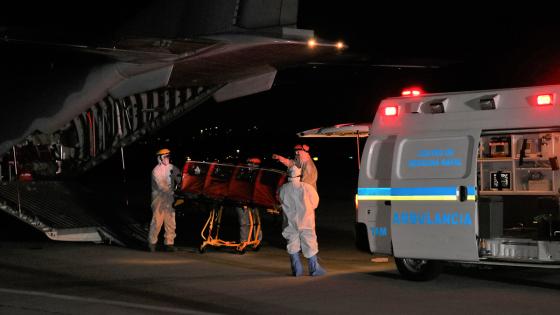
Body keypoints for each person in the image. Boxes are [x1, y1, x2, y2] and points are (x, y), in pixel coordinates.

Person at [278, 165, 326, 276]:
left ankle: (296, 269)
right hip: (306, 220)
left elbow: (280, 201)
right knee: (310, 242)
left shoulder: (283, 188)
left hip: (290, 221)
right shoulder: (307, 187)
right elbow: (315, 203)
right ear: (299, 175)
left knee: (292, 243)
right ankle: (314, 269)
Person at [148, 148, 181, 252]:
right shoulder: (155, 171)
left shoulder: (172, 167)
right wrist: (172, 191)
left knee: (171, 221)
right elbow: (161, 186)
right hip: (159, 198)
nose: (167, 158)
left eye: (168, 156)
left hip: (169, 198)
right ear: (160, 158)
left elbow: (180, 179)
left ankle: (169, 243)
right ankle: (152, 243)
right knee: (157, 221)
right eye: (165, 156)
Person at [235, 157, 263, 244]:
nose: (252, 165)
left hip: (253, 201)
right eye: (250, 163)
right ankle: (244, 241)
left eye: (255, 164)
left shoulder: (258, 175)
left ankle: (257, 240)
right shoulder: (241, 173)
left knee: (256, 222)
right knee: (244, 223)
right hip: (241, 201)